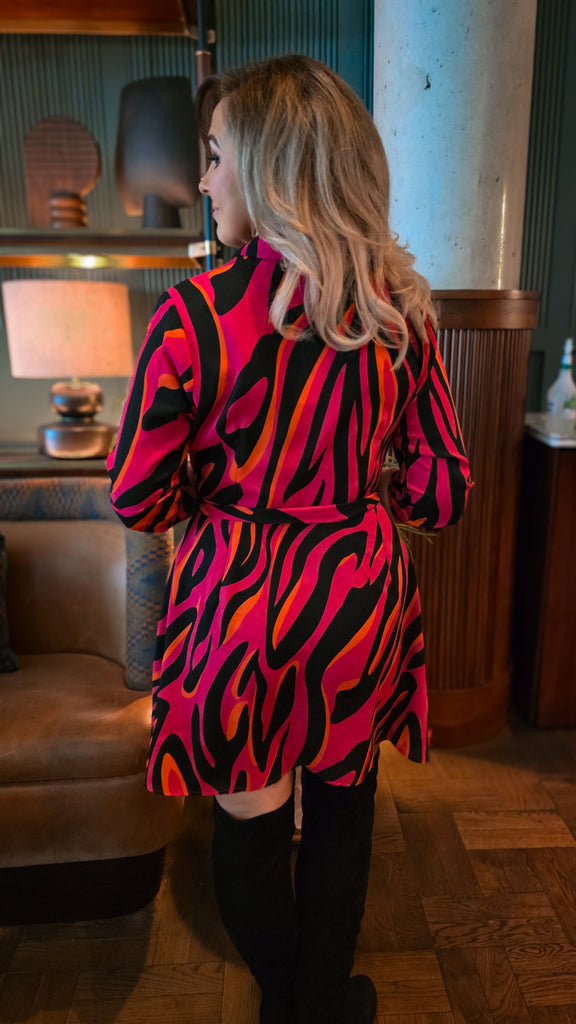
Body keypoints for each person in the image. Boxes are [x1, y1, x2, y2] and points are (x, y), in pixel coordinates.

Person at [107, 53, 472, 1024]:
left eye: (215, 155)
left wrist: (222, 493)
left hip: (241, 607)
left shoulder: (192, 316)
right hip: (357, 598)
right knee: (345, 810)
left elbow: (139, 494)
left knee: (252, 824)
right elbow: (441, 494)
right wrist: (362, 488)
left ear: (271, 168)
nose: (204, 180)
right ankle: (325, 997)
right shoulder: (400, 317)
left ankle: (289, 999)